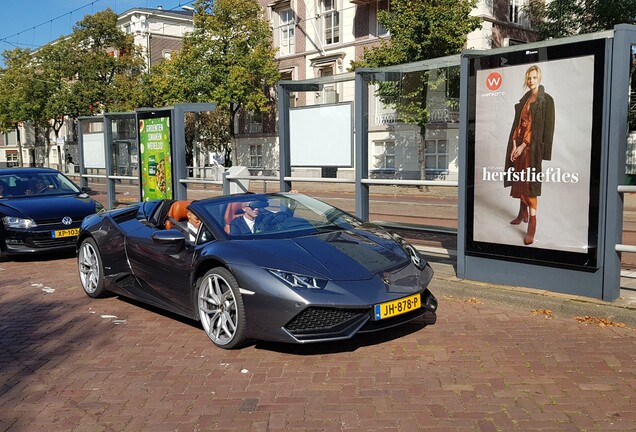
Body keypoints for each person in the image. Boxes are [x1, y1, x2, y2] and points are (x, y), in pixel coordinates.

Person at [504, 65, 555, 245]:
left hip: (532, 148)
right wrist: (514, 145)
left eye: (534, 77)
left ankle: (532, 223)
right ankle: (522, 213)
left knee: (529, 184)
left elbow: (541, 129)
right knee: (519, 180)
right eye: (528, 78)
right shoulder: (525, 100)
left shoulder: (545, 100)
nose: (531, 80)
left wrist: (523, 145)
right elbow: (517, 124)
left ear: (539, 78)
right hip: (520, 146)